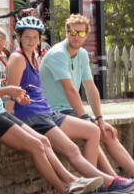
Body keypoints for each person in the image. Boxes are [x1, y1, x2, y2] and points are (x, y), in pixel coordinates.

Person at [0, 24, 102, 194]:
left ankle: (73, 181)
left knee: (43, 141)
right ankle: (66, 190)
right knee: (36, 146)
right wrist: (5, 91)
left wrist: (14, 96)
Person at [5, 17, 134, 194]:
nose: (31, 41)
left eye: (35, 37)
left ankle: (102, 183)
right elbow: (12, 94)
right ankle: (105, 182)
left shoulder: (34, 57)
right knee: (74, 148)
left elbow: (90, 87)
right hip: (34, 115)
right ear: (19, 37)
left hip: (46, 112)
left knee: (95, 130)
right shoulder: (20, 58)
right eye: (27, 37)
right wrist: (7, 119)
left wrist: (99, 119)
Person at [40, 14, 134, 178]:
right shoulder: (58, 54)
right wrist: (84, 117)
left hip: (69, 111)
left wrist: (100, 119)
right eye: (73, 32)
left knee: (107, 133)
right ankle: (95, 182)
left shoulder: (82, 54)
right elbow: (70, 90)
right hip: (52, 112)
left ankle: (118, 179)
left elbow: (90, 88)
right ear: (67, 32)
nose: (77, 37)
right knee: (92, 131)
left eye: (81, 33)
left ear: (86, 35)